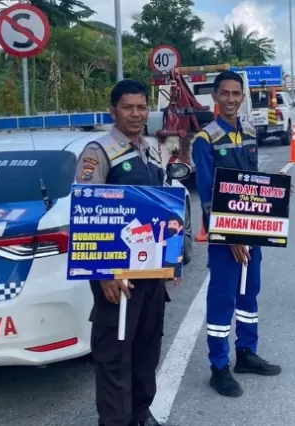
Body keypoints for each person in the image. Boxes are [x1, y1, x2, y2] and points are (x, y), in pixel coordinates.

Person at [75, 79, 170, 426]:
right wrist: (102, 274)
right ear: (112, 111)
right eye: (127, 107)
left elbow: (164, 211)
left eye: (141, 107)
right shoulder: (97, 153)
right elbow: (85, 215)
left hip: (152, 271)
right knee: (115, 356)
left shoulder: (153, 150)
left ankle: (141, 415)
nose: (135, 114)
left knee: (147, 350)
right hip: (118, 276)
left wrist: (171, 263)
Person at [192, 71, 282, 398]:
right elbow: (206, 194)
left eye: (236, 94)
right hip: (225, 237)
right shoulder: (205, 140)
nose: (231, 99)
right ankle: (219, 366)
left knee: (249, 295)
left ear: (242, 97)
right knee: (223, 298)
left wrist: (276, 193)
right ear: (215, 97)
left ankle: (246, 352)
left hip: (252, 229)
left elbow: (250, 179)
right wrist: (230, 237)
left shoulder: (248, 130)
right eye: (225, 93)